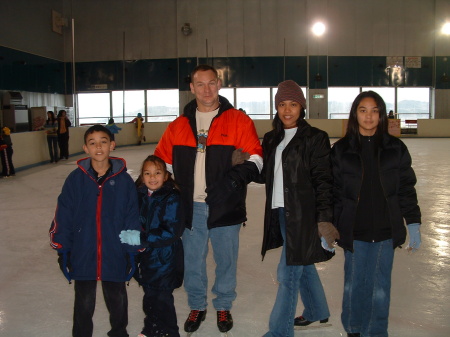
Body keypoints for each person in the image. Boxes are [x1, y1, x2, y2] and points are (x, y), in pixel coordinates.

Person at [154, 64, 263, 335]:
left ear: (219, 84)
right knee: (193, 260)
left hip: (226, 206)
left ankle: (224, 304)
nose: (206, 89)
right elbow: (161, 164)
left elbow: (258, 160)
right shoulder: (178, 126)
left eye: (211, 83)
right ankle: (197, 305)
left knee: (226, 259)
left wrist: (232, 181)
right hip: (191, 208)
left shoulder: (238, 120)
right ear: (191, 88)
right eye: (200, 84)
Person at [330, 91, 422, 337]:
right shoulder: (340, 150)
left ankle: (377, 331)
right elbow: (333, 192)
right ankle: (354, 328)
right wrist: (328, 226)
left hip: (385, 231)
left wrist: (412, 221)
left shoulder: (396, 148)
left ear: (381, 114)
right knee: (355, 285)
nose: (368, 116)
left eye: (374, 110)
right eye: (363, 110)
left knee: (380, 287)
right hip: (354, 231)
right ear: (355, 114)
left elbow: (406, 188)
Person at [257, 80, 338, 337]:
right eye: (282, 104)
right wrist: (246, 162)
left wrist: (324, 220)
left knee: (288, 273)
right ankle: (316, 310)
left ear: (302, 107)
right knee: (302, 262)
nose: (287, 110)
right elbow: (268, 176)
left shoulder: (315, 138)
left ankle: (279, 332)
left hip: (304, 215)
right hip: (281, 211)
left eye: (293, 104)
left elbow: (324, 181)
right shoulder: (272, 138)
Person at [48, 124, 141, 337]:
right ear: (85, 148)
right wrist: (63, 248)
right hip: (83, 251)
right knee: (84, 301)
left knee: (117, 298)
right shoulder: (75, 179)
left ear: (112, 145)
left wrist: (131, 251)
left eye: (103, 141)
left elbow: (132, 217)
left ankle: (119, 332)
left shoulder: (124, 181)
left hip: (114, 251)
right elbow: (64, 214)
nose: (98, 146)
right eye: (92, 143)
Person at [119, 155, 184, 337]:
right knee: (149, 297)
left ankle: (171, 332)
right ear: (142, 175)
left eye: (157, 173)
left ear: (165, 176)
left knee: (162, 299)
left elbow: (171, 232)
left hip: (165, 259)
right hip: (145, 258)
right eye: (147, 173)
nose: (152, 177)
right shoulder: (139, 194)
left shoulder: (172, 197)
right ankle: (151, 329)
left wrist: (140, 237)